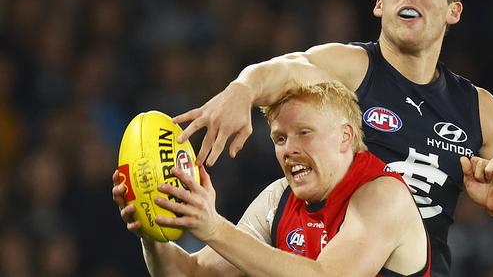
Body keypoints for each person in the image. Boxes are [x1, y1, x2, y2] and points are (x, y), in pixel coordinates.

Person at [170, 0, 493, 275]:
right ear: (380, 4)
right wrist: (243, 89)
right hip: (325, 257)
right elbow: (289, 67)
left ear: (454, 11)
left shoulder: (476, 109)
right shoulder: (352, 67)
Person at [113, 81, 431, 276]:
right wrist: (149, 219)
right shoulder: (278, 199)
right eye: (280, 139)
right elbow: (191, 275)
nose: (289, 150)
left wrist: (213, 227)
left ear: (345, 137)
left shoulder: (384, 196)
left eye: (304, 133)